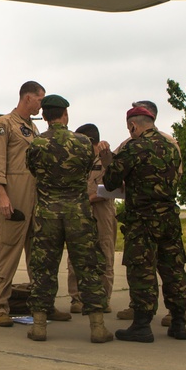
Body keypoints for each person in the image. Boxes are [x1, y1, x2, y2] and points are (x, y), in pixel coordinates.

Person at [25, 95, 112, 343]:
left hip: (46, 215)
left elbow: (33, 171)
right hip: (78, 214)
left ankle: (39, 326)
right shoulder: (84, 142)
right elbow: (86, 171)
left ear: (44, 116)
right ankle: (97, 327)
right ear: (65, 114)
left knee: (43, 268)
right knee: (88, 267)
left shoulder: (36, 144)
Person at [99, 105, 186, 342]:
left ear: (133, 126)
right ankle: (179, 322)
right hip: (169, 218)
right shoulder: (172, 148)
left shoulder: (133, 147)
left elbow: (110, 182)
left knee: (142, 270)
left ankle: (142, 324)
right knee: (174, 269)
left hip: (142, 220)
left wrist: (108, 161)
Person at [0, 81, 47, 327]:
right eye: (40, 100)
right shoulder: (4, 125)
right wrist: (2, 194)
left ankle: (42, 305)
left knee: (38, 254)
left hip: (34, 198)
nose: (41, 105)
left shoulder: (32, 129)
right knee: (6, 250)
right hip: (13, 195)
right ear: (27, 97)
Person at [67, 123, 116, 315]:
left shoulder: (106, 159)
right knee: (76, 255)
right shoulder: (77, 160)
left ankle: (103, 299)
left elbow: (111, 187)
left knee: (105, 254)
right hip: (79, 214)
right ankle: (77, 298)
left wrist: (87, 199)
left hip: (102, 213)